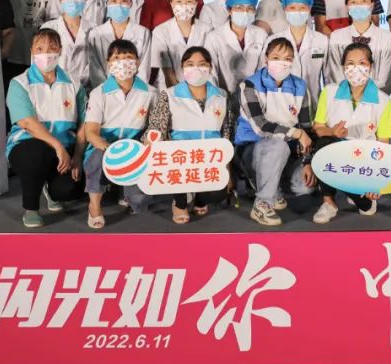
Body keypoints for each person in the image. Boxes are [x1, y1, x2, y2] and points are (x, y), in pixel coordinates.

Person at [5, 28, 85, 228]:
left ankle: (51, 188)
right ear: (32, 51)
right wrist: (57, 146)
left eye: (52, 48)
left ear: (60, 50)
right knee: (36, 154)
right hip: (28, 146)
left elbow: (84, 123)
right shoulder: (20, 83)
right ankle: (31, 208)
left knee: (70, 189)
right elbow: (26, 123)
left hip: (64, 149)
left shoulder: (74, 84)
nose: (46, 53)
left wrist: (77, 156)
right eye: (40, 48)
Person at [311, 43, 391, 223]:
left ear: (370, 66)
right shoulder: (329, 92)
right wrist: (332, 131)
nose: (356, 68)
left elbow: (383, 143)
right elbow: (318, 128)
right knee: (323, 143)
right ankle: (329, 202)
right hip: (336, 151)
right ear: (343, 67)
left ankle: (356, 191)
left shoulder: (383, 100)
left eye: (362, 63)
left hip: (364, 159)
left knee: (367, 209)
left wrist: (376, 181)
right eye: (350, 63)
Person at [235, 37, 315, 226]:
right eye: (276, 57)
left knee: (303, 187)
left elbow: (306, 128)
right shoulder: (250, 86)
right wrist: (296, 134)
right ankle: (262, 203)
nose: (282, 63)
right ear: (266, 59)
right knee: (278, 146)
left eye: (287, 58)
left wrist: (307, 162)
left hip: (289, 149)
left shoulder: (300, 87)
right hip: (252, 148)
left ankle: (275, 187)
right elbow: (261, 126)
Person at [145, 46, 229, 224]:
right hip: (179, 158)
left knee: (218, 192)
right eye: (190, 64)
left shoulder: (221, 96)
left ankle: (200, 198)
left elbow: (226, 132)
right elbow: (157, 126)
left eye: (202, 64)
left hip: (210, 156)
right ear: (182, 68)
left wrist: (227, 165)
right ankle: (180, 202)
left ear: (210, 67)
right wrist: (151, 141)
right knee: (178, 176)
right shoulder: (169, 94)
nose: (196, 68)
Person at [77, 40, 156, 229]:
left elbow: (154, 128)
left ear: (137, 62)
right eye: (117, 58)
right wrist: (108, 149)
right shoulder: (99, 93)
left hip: (135, 149)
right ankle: (94, 206)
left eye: (128, 57)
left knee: (139, 201)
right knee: (97, 159)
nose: (123, 62)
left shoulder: (151, 93)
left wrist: (145, 147)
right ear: (109, 63)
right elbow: (91, 131)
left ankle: (126, 191)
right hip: (104, 147)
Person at [260, 0, 329, 116]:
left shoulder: (322, 40)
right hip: (281, 106)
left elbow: (328, 78)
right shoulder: (273, 40)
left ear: (309, 9)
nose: (297, 12)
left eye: (302, 8)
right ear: (285, 9)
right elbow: (264, 77)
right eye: (292, 8)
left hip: (313, 106)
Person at [326, 0, 391, 93]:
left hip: (377, 98)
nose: (359, 5)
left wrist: (368, 96)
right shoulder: (337, 37)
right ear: (347, 7)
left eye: (364, 1)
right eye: (353, 2)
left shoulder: (387, 38)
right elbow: (336, 75)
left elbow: (385, 79)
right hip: (344, 99)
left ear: (372, 5)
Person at [87, 0, 152, 89]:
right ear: (107, 3)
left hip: (136, 92)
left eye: (124, 1)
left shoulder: (143, 33)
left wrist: (133, 93)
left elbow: (144, 71)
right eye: (114, 1)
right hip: (105, 92)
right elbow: (95, 71)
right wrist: (108, 92)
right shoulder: (95, 34)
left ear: (131, 3)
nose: (119, 5)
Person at [206, 0, 268, 93]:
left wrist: (257, 94)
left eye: (250, 8)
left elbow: (263, 68)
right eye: (239, 8)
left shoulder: (261, 34)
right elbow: (211, 73)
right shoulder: (214, 37)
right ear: (229, 10)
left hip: (254, 93)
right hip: (223, 94)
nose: (245, 12)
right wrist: (216, 96)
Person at [149, 0, 211, 87]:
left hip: (201, 86)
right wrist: (178, 92)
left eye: (189, 1)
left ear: (196, 3)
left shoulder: (207, 30)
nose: (184, 6)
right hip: (168, 88)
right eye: (179, 1)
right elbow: (166, 69)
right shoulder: (160, 31)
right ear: (171, 3)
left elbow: (209, 64)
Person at [41, 0, 95, 89]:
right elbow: (40, 64)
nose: (73, 1)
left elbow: (97, 65)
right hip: (55, 88)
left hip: (87, 90)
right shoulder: (48, 28)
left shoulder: (94, 29)